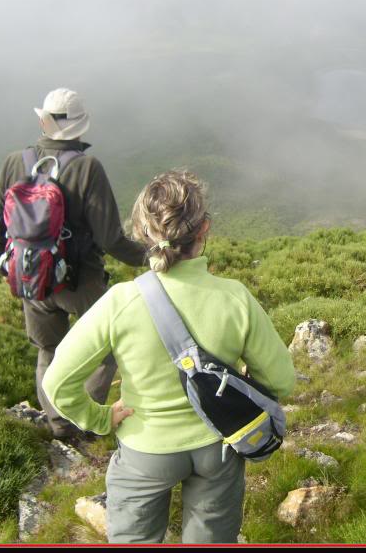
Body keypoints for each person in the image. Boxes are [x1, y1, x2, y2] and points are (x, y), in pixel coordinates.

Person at [41, 170, 295, 544]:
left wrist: (99, 418)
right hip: (219, 446)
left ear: (142, 233)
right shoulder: (234, 297)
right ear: (204, 228)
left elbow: (57, 383)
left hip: (145, 451)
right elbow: (281, 381)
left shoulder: (120, 302)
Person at [0, 88, 148, 441]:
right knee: (106, 349)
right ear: (79, 128)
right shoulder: (87, 168)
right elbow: (110, 239)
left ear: (43, 121)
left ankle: (59, 424)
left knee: (49, 350)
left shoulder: (15, 162)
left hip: (33, 282)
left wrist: (12, 271)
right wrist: (152, 257)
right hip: (80, 283)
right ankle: (85, 423)